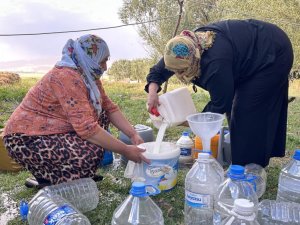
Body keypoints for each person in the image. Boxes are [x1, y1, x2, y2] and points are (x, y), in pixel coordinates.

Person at [3, 34, 149, 187]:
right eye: (103, 60)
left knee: (102, 119)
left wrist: (133, 134)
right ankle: (51, 181)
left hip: (51, 130)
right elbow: (88, 130)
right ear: (89, 57)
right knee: (88, 152)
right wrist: (125, 150)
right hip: (25, 138)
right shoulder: (66, 76)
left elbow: (109, 107)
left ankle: (65, 178)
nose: (105, 67)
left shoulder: (88, 76)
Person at [145, 19, 294, 167]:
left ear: (195, 58)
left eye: (182, 71)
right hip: (247, 53)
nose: (178, 74)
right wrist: (152, 92)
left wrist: (189, 122)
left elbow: (220, 104)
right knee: (236, 113)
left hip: (271, 53)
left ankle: (248, 170)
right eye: (174, 71)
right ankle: (241, 157)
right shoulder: (179, 49)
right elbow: (159, 71)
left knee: (244, 111)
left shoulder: (214, 63)